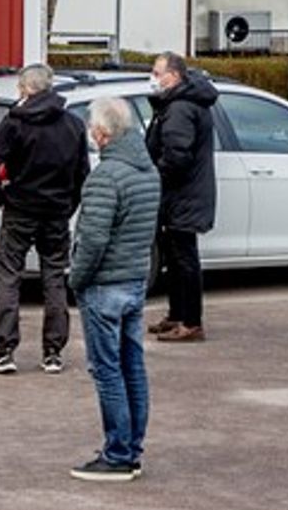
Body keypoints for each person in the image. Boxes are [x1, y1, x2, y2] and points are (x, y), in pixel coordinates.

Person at [67, 99, 163, 482]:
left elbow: (92, 238)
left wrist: (76, 278)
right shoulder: (147, 171)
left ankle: (119, 452)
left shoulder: (106, 177)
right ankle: (130, 447)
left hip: (104, 284)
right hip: (134, 279)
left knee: (107, 371)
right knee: (132, 367)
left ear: (103, 134)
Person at [0, 63, 88, 373]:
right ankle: (53, 351)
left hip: (20, 207)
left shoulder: (15, 122)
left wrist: (0, 196)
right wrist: (69, 204)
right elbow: (83, 174)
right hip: (56, 210)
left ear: (25, 89)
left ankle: (4, 349)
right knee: (54, 276)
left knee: (9, 274)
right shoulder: (73, 124)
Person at [146, 52, 220, 343]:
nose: (153, 78)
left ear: (173, 76)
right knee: (175, 258)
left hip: (183, 195)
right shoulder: (177, 105)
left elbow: (177, 155)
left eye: (157, 72)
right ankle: (177, 314)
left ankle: (191, 321)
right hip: (179, 195)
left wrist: (156, 176)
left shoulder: (180, 108)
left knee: (184, 258)